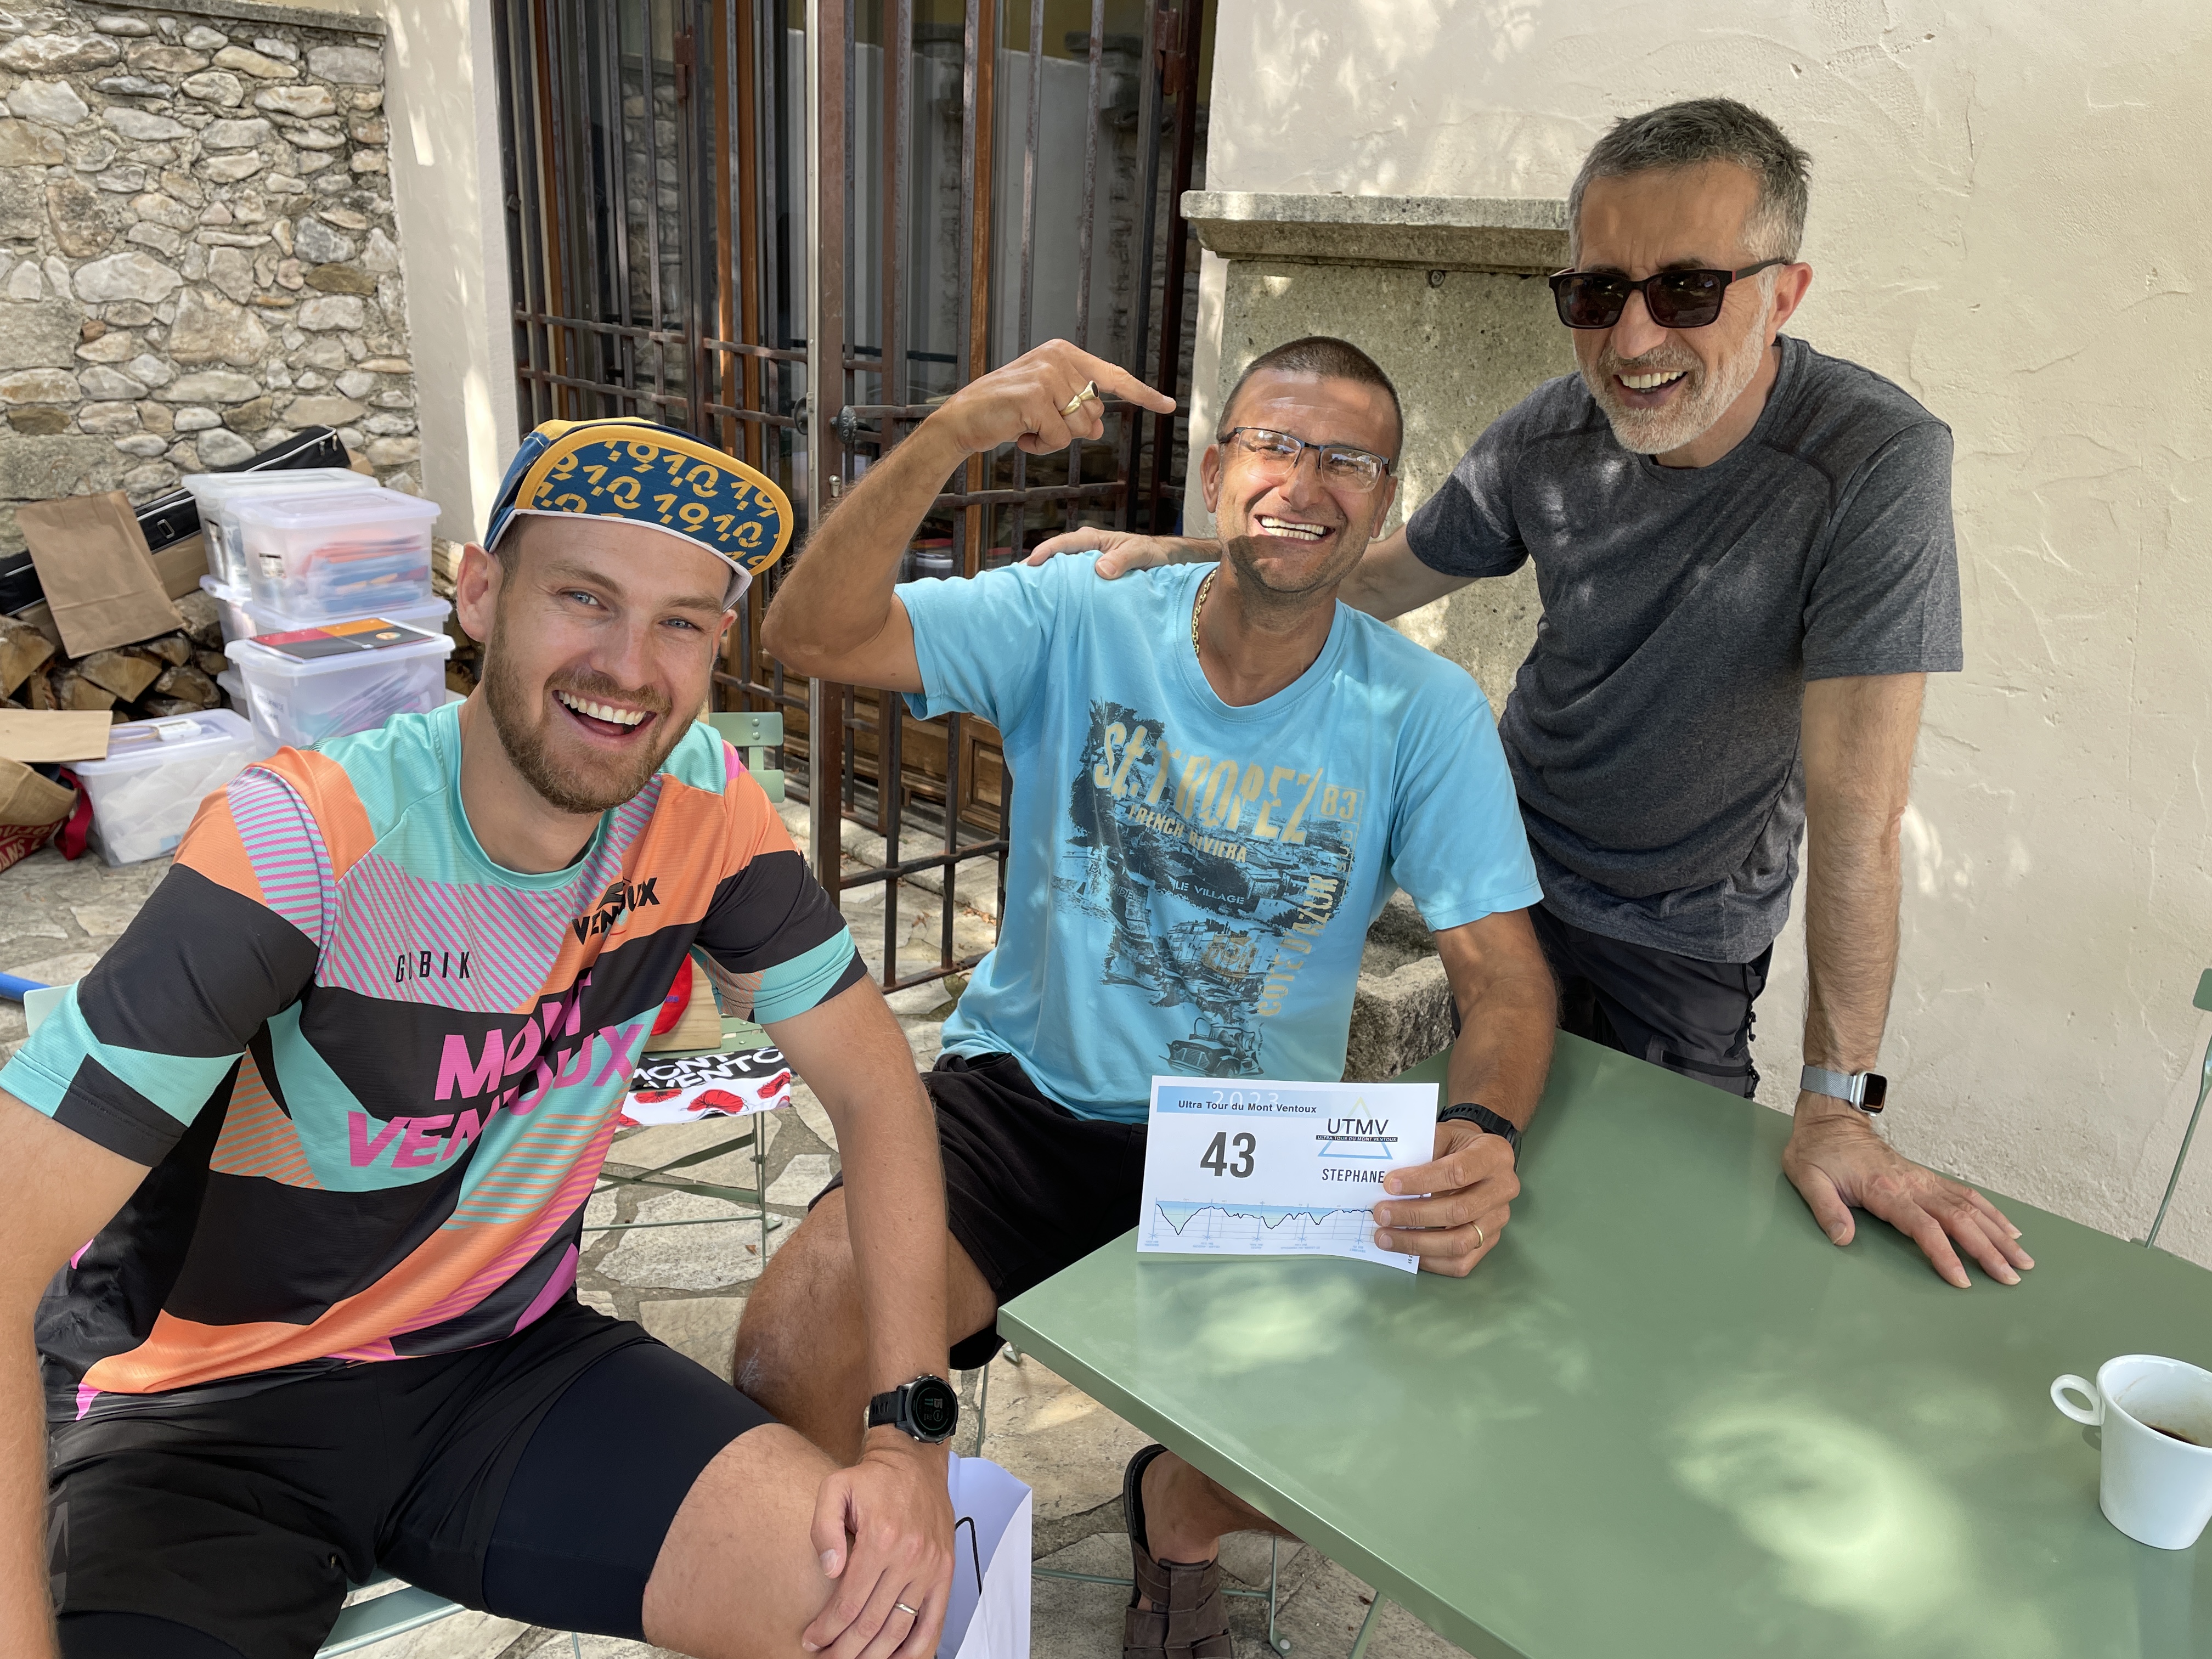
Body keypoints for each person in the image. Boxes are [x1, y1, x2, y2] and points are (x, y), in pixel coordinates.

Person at [1034, 98, 2034, 1294]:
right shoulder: (1548, 435)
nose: (1633, 337)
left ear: (1785, 293)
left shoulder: (1871, 461)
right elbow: (1382, 576)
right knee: (1471, 1206)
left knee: (1650, 1247)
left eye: (1688, 290)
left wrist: (1839, 1106)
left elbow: (1861, 814)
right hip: (1510, 886)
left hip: (1690, 929)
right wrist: (1192, 554)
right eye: (1597, 292)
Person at [0, 418, 958, 1659]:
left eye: (680, 622)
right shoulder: (307, 841)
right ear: (481, 593)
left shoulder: (708, 808)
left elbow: (879, 1094)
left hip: (503, 1367)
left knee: (878, 1609)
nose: (628, 665)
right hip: (200, 1415)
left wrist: (909, 1440)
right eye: (583, 597)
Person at [736, 336, 1557, 1659]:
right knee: (793, 1357)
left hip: (1257, 1146)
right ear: (1216, 469)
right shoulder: (1078, 617)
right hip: (1024, 1102)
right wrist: (951, 433)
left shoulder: (1422, 710)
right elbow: (807, 633)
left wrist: (1482, 1131)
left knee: (1405, 1454)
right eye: (1275, 444)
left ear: (1384, 506)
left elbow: (1503, 978)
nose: (1305, 480)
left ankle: (1177, 1509)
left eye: (1348, 460)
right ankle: (881, 1600)